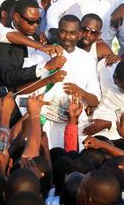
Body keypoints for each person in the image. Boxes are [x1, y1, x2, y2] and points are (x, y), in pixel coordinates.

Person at [0, 0, 66, 132]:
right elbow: (8, 77)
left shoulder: (37, 38)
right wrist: (46, 66)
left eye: (38, 21)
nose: (35, 25)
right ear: (16, 17)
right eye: (30, 21)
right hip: (5, 113)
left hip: (31, 114)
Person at [42, 15, 101, 148]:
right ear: (58, 33)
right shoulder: (44, 53)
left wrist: (79, 91)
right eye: (63, 32)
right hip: (47, 123)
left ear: (79, 35)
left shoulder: (88, 60)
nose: (67, 37)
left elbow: (95, 100)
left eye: (72, 33)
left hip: (74, 124)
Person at [82, 59, 124, 141]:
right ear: (115, 78)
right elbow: (94, 84)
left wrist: (109, 125)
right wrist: (91, 103)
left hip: (112, 137)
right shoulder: (104, 66)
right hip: (85, 126)